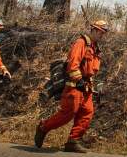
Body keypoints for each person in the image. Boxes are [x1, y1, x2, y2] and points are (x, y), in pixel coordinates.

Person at [34, 20, 111, 153]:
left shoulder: (95, 47)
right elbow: (73, 65)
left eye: (103, 33)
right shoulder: (81, 43)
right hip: (74, 85)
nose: (102, 35)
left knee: (87, 112)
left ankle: (73, 141)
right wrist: (79, 80)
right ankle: (43, 127)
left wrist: (92, 86)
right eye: (100, 32)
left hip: (86, 86)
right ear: (93, 30)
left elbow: (91, 70)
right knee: (67, 114)